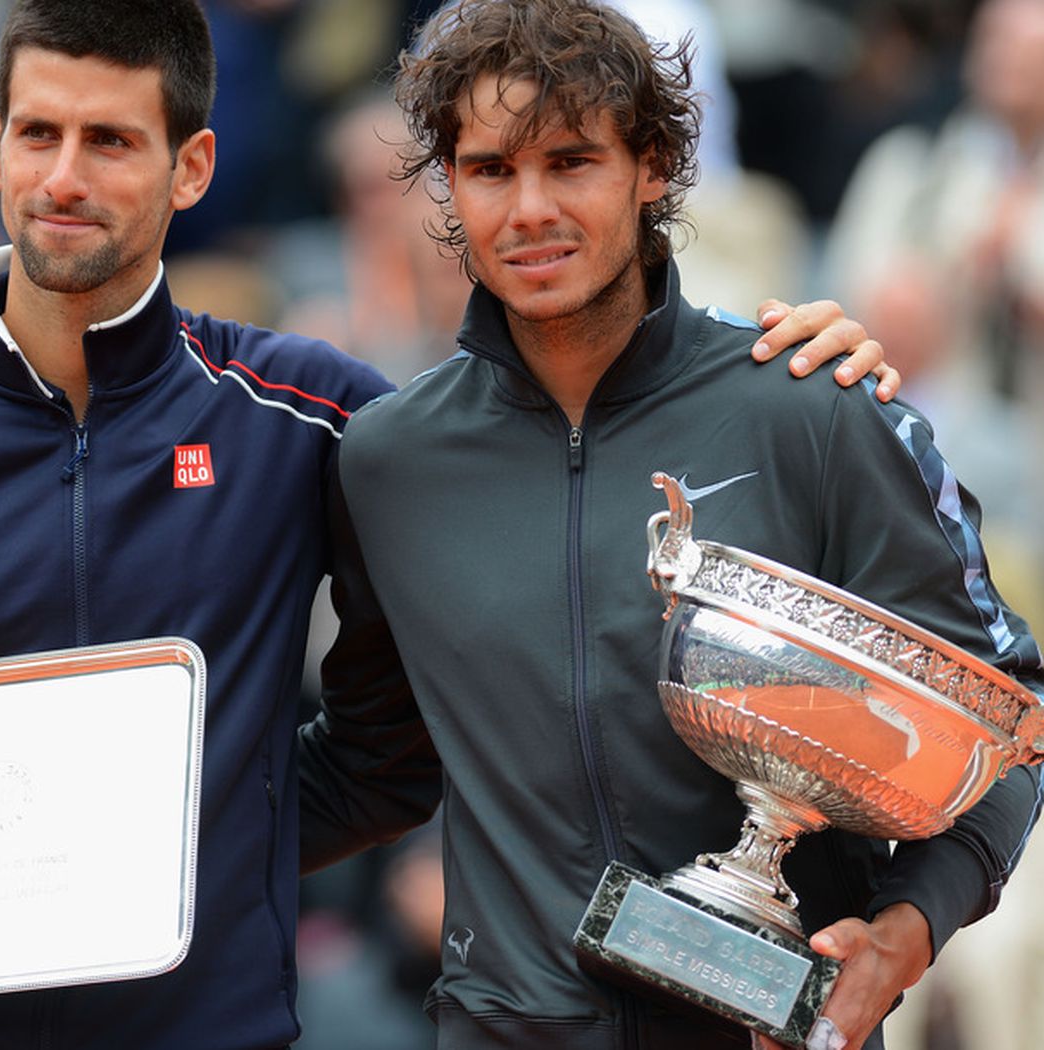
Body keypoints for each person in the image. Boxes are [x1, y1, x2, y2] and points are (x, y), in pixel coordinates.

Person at [0, 1, 894, 1048]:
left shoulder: (310, 418)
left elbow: (522, 497)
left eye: (111, 141)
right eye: (38, 133)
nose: (65, 178)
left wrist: (773, 374)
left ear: (190, 165)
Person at [297, 3, 1044, 1050]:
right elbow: (373, 764)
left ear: (651, 166)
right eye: (488, 169)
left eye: (571, 162)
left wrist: (905, 928)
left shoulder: (812, 407)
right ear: (447, 184)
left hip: (774, 1032)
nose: (528, 210)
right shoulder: (386, 462)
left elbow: (1009, 715)